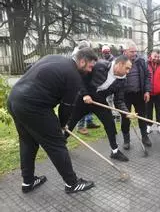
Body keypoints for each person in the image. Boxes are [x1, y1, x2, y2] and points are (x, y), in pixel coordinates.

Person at [7, 48, 97, 194]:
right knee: (57, 144)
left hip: (14, 99)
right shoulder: (73, 76)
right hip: (34, 106)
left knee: (27, 142)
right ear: (82, 61)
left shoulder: (54, 57)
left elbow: (30, 69)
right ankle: (72, 184)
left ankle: (28, 181)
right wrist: (62, 126)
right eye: (90, 66)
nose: (90, 70)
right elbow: (66, 107)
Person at [66, 55, 133, 162]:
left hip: (99, 101)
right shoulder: (100, 66)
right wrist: (85, 94)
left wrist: (126, 113)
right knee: (71, 121)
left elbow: (119, 100)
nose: (128, 71)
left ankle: (114, 151)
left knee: (110, 124)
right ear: (120, 64)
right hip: (83, 99)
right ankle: (60, 144)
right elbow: (81, 78)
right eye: (127, 68)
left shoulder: (123, 80)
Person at [121, 40, 151, 150]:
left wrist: (147, 91)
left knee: (142, 116)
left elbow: (148, 76)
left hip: (139, 94)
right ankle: (126, 140)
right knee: (125, 118)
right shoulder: (119, 62)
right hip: (125, 96)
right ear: (125, 51)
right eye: (131, 51)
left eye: (135, 51)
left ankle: (144, 136)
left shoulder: (141, 61)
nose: (134, 54)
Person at [72, 40, 100, 135]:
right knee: (79, 107)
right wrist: (84, 93)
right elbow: (78, 79)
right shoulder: (76, 60)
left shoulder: (88, 60)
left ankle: (89, 122)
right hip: (79, 89)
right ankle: (80, 126)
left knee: (88, 106)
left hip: (86, 87)